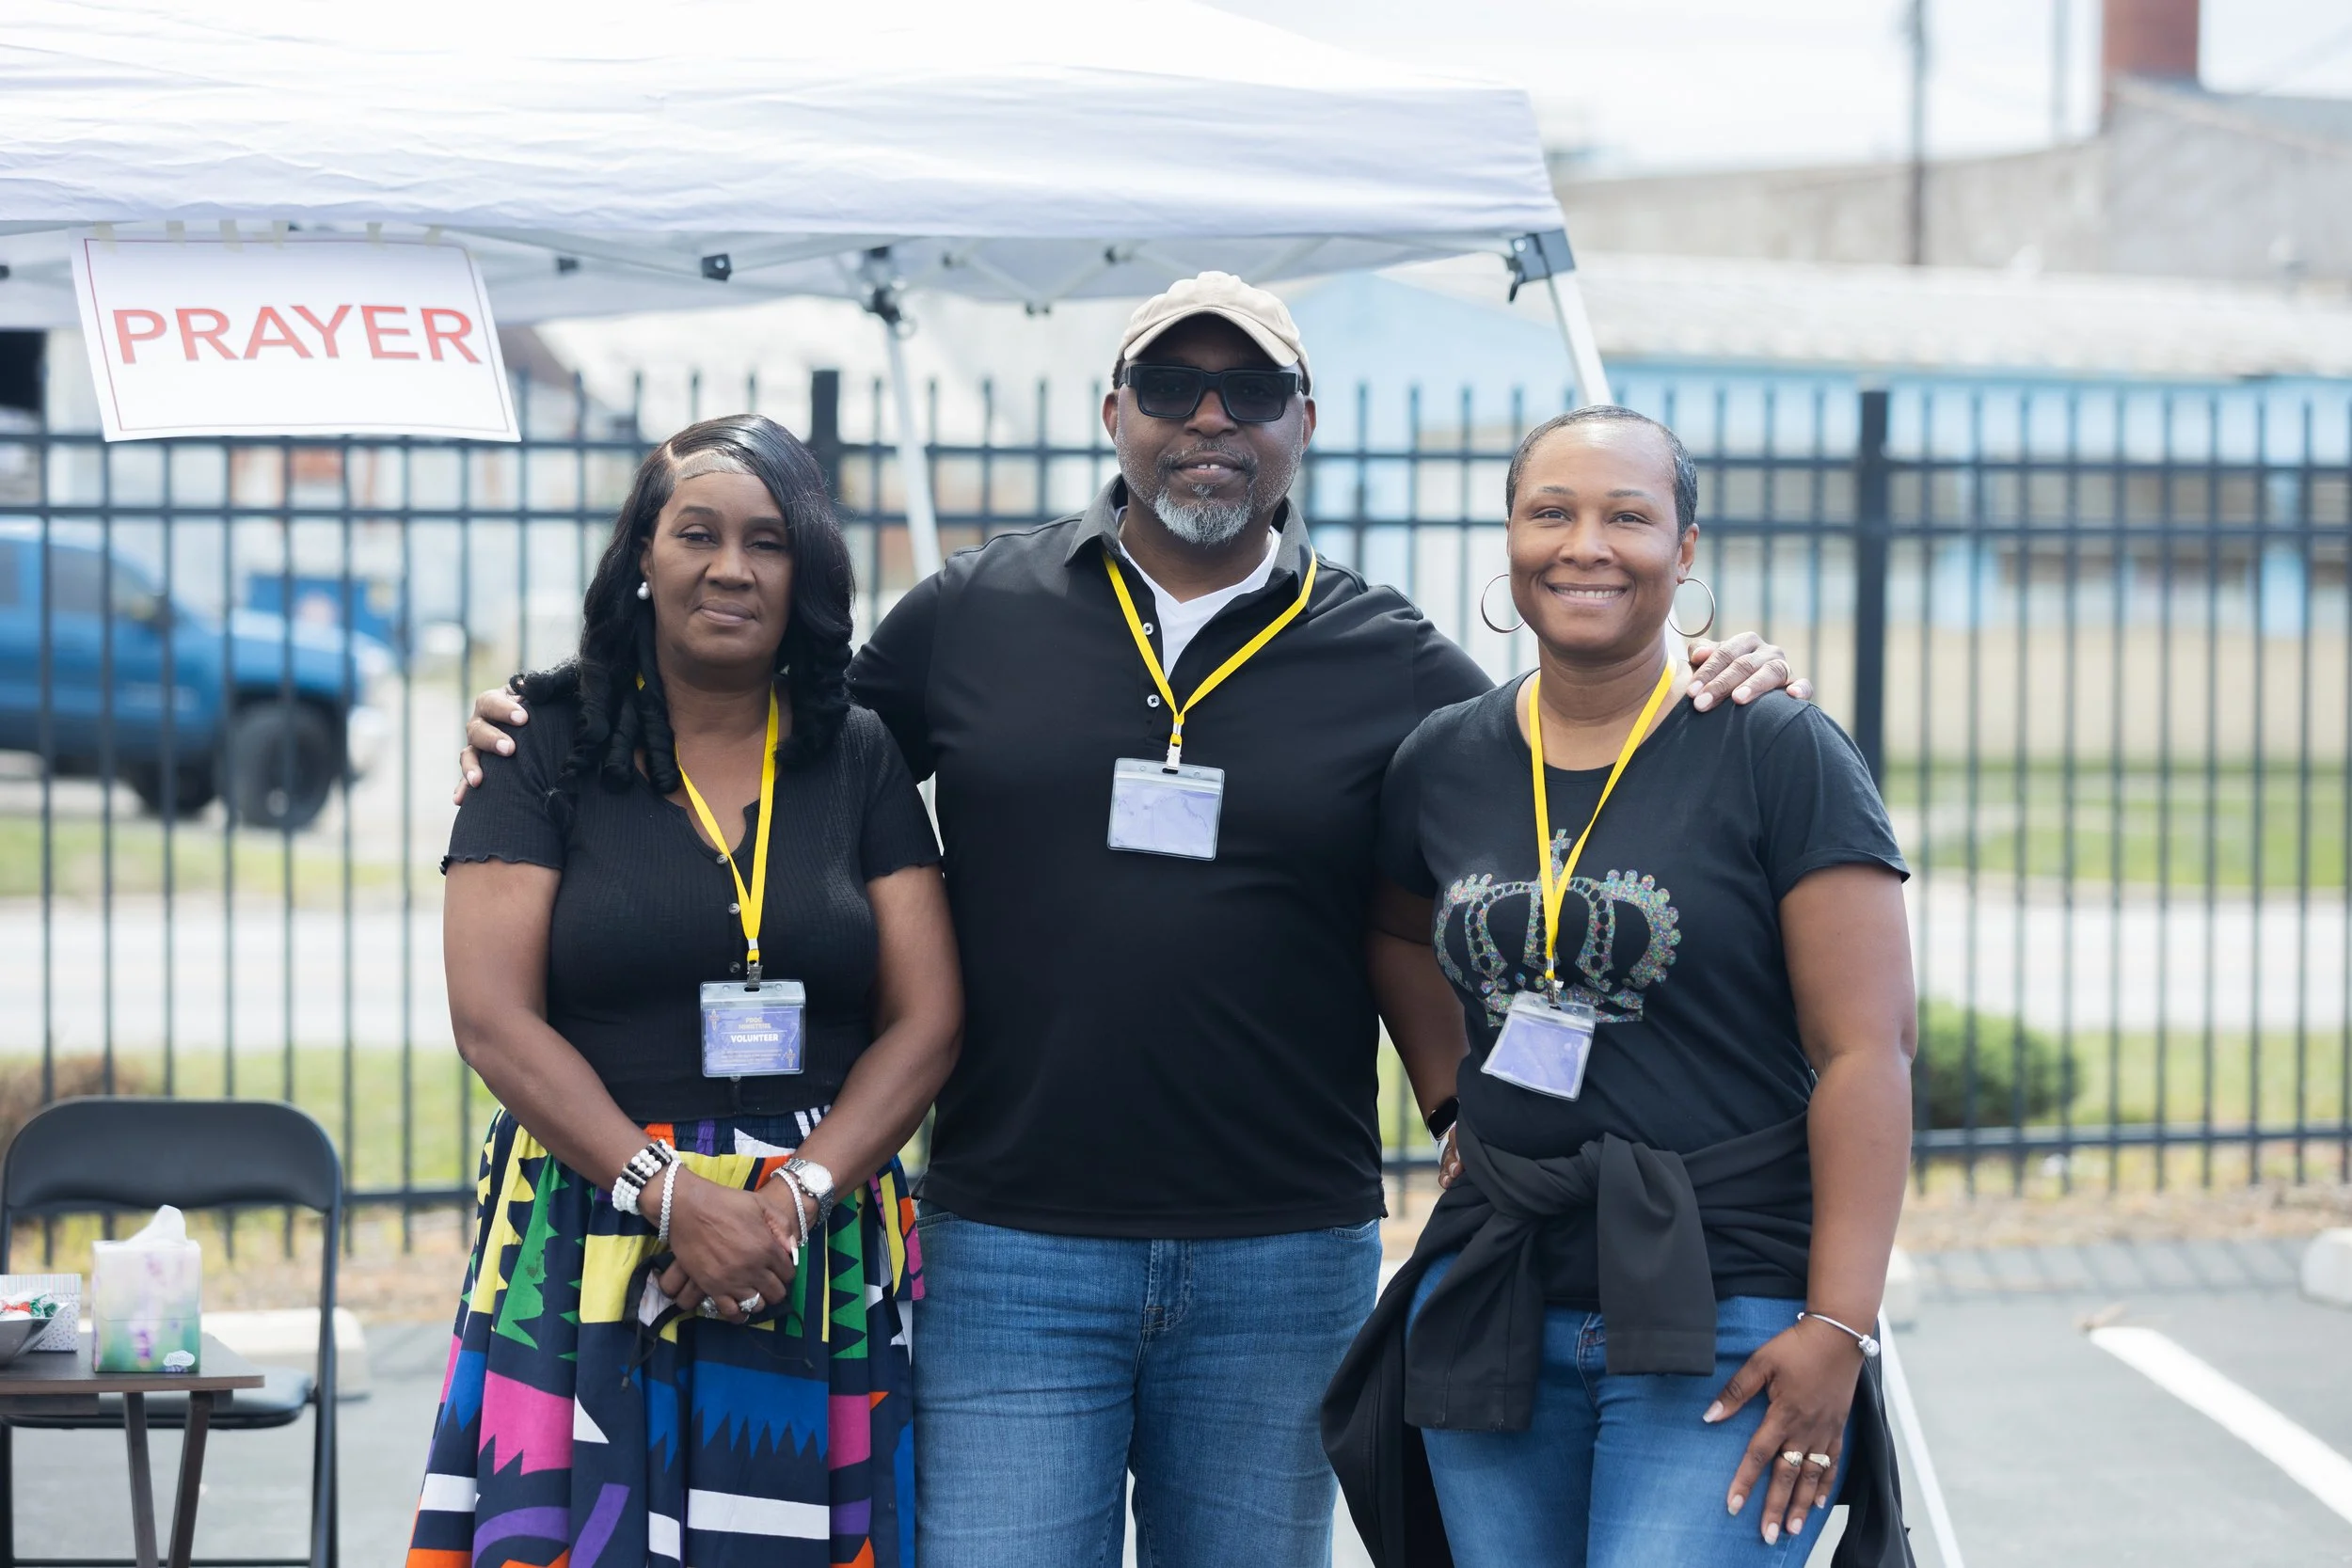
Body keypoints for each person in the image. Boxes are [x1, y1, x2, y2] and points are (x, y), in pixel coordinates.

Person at [454, 275, 1813, 1568]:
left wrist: (1708, 670)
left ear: (1302, 423)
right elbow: (772, 739)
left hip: (1284, 1257)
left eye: (1250, 389)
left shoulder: (1394, 657)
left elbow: (1558, 763)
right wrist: (542, 727)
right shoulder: (973, 612)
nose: (1209, 417)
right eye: (1170, 384)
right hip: (1013, 1250)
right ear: (1115, 413)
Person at [1323, 405, 1915, 1568]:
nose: (1584, 545)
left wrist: (1837, 1325)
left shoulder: (1772, 745)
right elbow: (1392, 930)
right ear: (1509, 536)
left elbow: (1868, 1048)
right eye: (1551, 512)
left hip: (1727, 1298)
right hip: (1500, 1291)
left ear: (1682, 550)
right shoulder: (1444, 756)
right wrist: (1450, 1104)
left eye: (1627, 516)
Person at [410, 415, 961, 1568]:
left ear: (805, 571)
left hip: (813, 1232)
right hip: (591, 1214)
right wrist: (666, 1192)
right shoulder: (541, 741)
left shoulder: (857, 752)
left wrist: (793, 1196)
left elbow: (927, 1018)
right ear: (642, 558)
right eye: (696, 533)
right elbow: (490, 1017)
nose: (730, 567)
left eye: (767, 540)